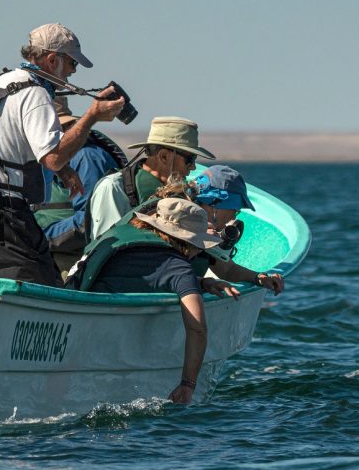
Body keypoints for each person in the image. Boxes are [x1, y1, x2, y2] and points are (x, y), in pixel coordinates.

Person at [0, 23, 125, 286]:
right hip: (2, 215)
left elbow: (8, 142)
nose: (72, 73)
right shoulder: (35, 92)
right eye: (71, 65)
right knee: (47, 298)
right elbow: (52, 157)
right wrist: (92, 116)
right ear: (52, 60)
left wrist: (63, 171)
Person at [67, 198, 234, 403]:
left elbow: (144, 275)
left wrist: (201, 283)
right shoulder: (178, 268)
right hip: (103, 345)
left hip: (74, 331)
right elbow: (197, 328)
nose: (200, 251)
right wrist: (188, 384)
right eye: (200, 245)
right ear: (189, 242)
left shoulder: (122, 237)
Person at [35, 97, 127, 278]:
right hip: (50, 255)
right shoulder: (61, 158)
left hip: (73, 262)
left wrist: (40, 238)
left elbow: (90, 219)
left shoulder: (86, 158)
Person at [88, 117, 216, 241]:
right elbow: (107, 246)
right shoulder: (113, 188)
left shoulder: (178, 194)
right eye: (190, 159)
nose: (193, 167)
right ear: (164, 156)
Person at [192, 165, 285, 294]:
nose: (234, 216)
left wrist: (258, 278)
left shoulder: (202, 230)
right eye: (235, 210)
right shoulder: (177, 224)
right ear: (216, 205)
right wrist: (203, 283)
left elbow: (226, 269)